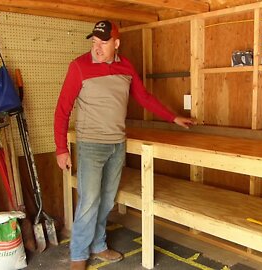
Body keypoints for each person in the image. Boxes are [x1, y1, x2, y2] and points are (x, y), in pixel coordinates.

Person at [54, 20, 194, 270]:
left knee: (107, 200)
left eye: (103, 43)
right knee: (88, 201)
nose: (97, 48)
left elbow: (143, 97)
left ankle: (98, 245)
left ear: (116, 43)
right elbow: (62, 109)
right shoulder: (79, 67)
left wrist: (172, 117)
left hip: (117, 144)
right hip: (91, 145)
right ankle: (78, 255)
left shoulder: (126, 66)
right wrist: (61, 149)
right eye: (94, 42)